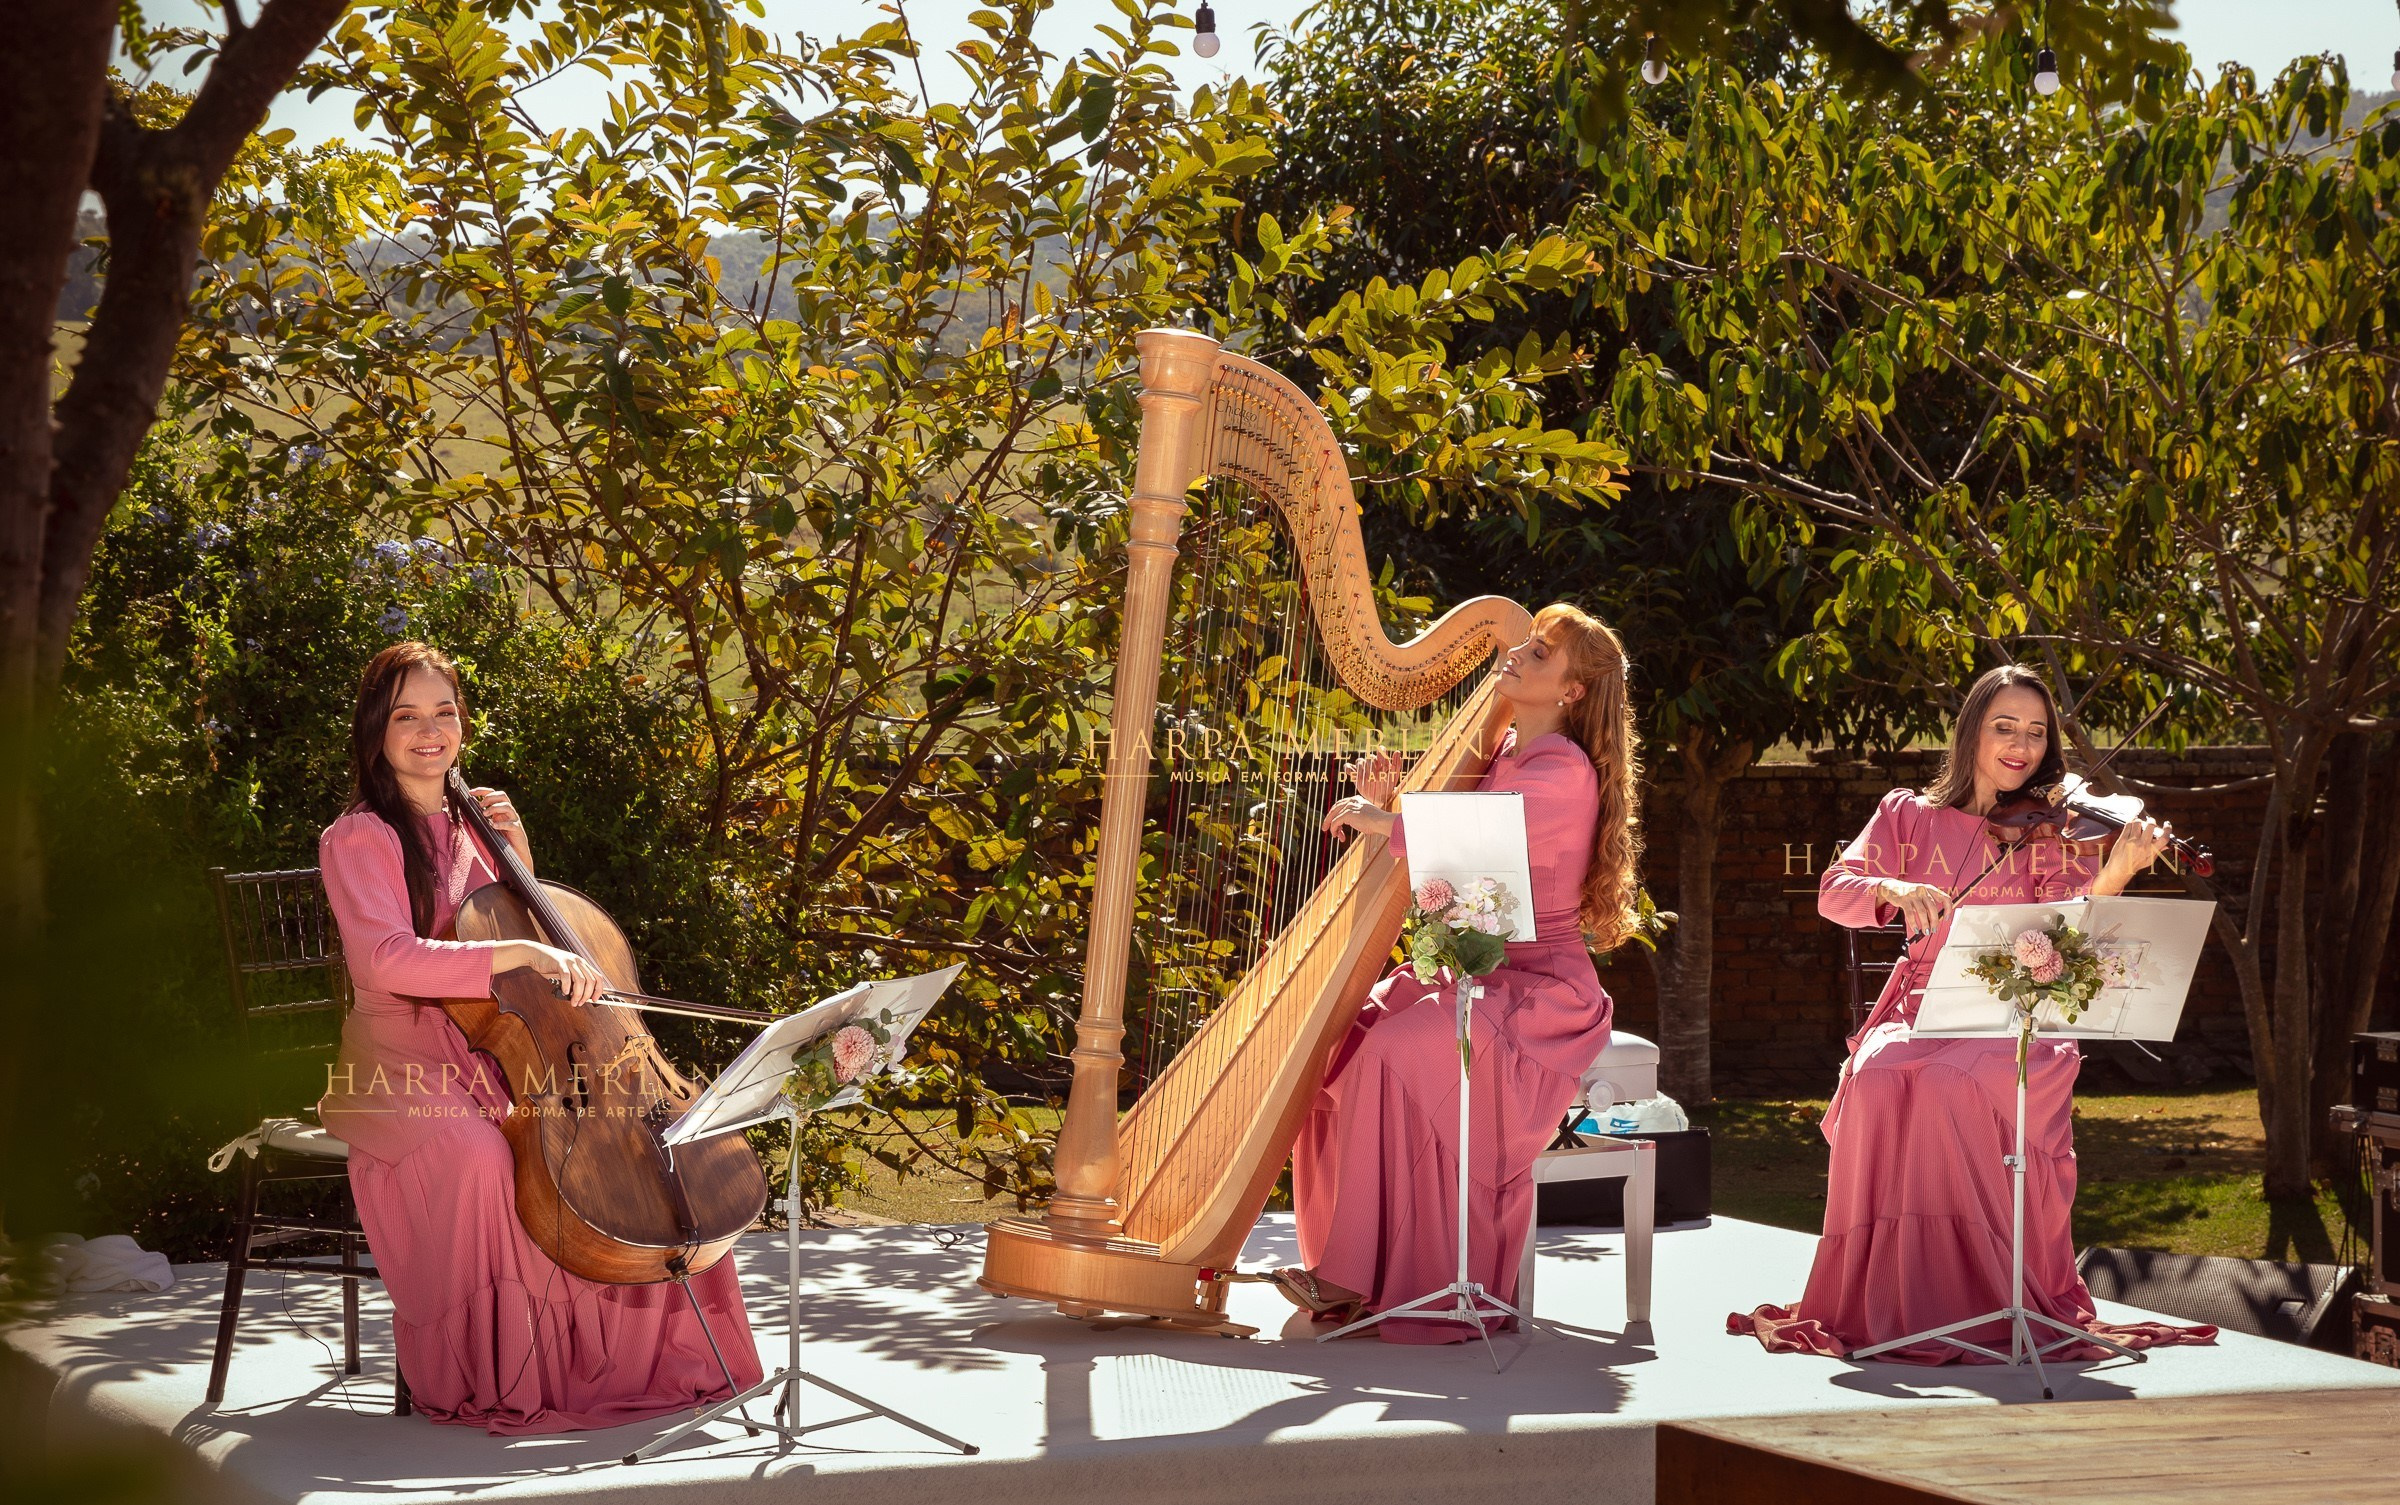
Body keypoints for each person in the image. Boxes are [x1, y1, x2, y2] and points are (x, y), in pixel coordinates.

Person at [316, 641, 763, 1432]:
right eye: (407, 716)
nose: (430, 731)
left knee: (617, 1153)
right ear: (375, 730)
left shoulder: (476, 826)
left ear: (464, 722)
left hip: (500, 1054)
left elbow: (510, 937)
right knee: (487, 1160)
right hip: (401, 1069)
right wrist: (524, 951)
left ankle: (635, 1360)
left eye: (444, 712)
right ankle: (511, 1374)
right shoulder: (359, 837)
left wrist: (517, 859)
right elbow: (385, 959)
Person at [1731, 664, 2216, 1362]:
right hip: (1921, 1006)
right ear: (1970, 733)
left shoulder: (2057, 829)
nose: (2021, 745)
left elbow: (2072, 940)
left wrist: (2116, 873)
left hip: (2020, 1013)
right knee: (1876, 1077)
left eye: (2036, 732)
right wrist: (1892, 886)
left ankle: (1972, 1299)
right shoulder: (1906, 814)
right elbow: (1835, 891)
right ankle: (1886, 1299)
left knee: (1947, 1083)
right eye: (2004, 727)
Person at [1271, 603, 1643, 1342]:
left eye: (1540, 654)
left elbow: (1478, 840)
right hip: (1479, 973)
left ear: (1572, 691)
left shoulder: (1563, 771)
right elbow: (1461, 883)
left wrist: (1386, 821)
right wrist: (1393, 809)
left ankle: (1365, 1274)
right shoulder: (1499, 752)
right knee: (1338, 1041)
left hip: (1541, 992)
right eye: (1526, 643)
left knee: (1395, 1049)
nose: (1517, 654)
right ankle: (1361, 1263)